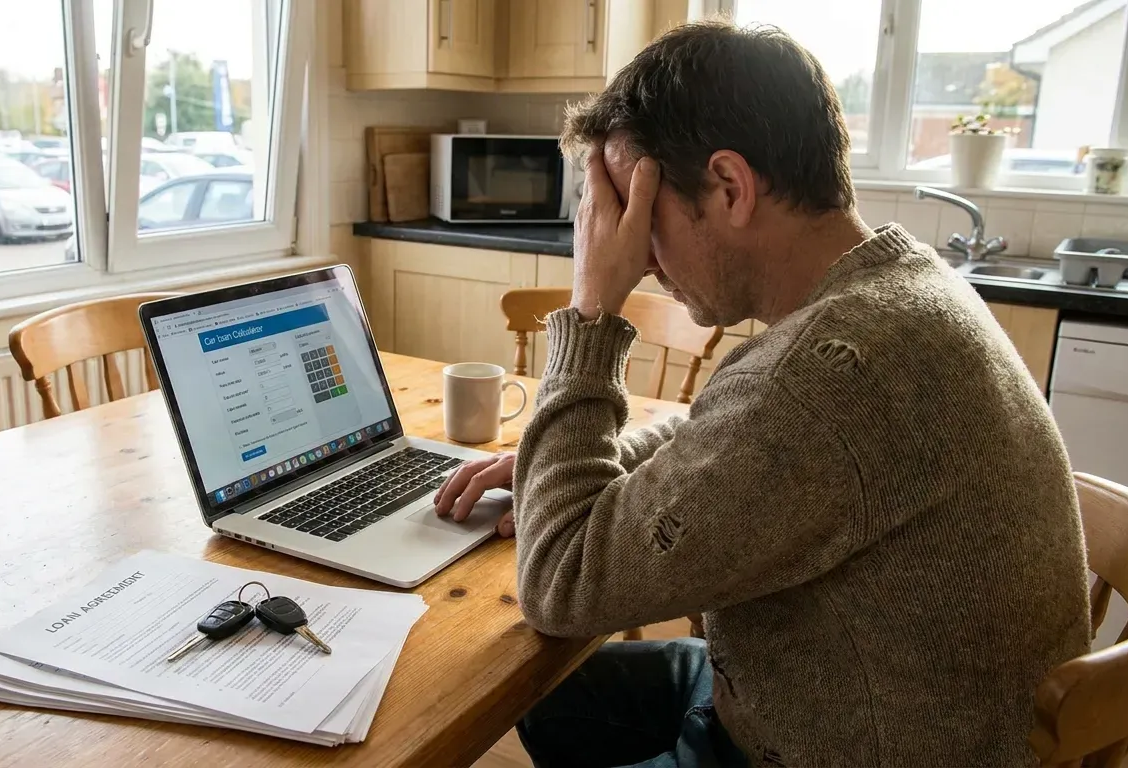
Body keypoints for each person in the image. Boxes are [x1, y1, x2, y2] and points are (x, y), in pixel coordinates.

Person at [433, 19, 1091, 768]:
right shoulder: (900, 285)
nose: (638, 261)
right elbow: (730, 437)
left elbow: (560, 583)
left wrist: (589, 310)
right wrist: (567, 472)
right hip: (812, 696)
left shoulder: (821, 378)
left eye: (640, 217)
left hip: (834, 748)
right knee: (547, 699)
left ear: (730, 187)